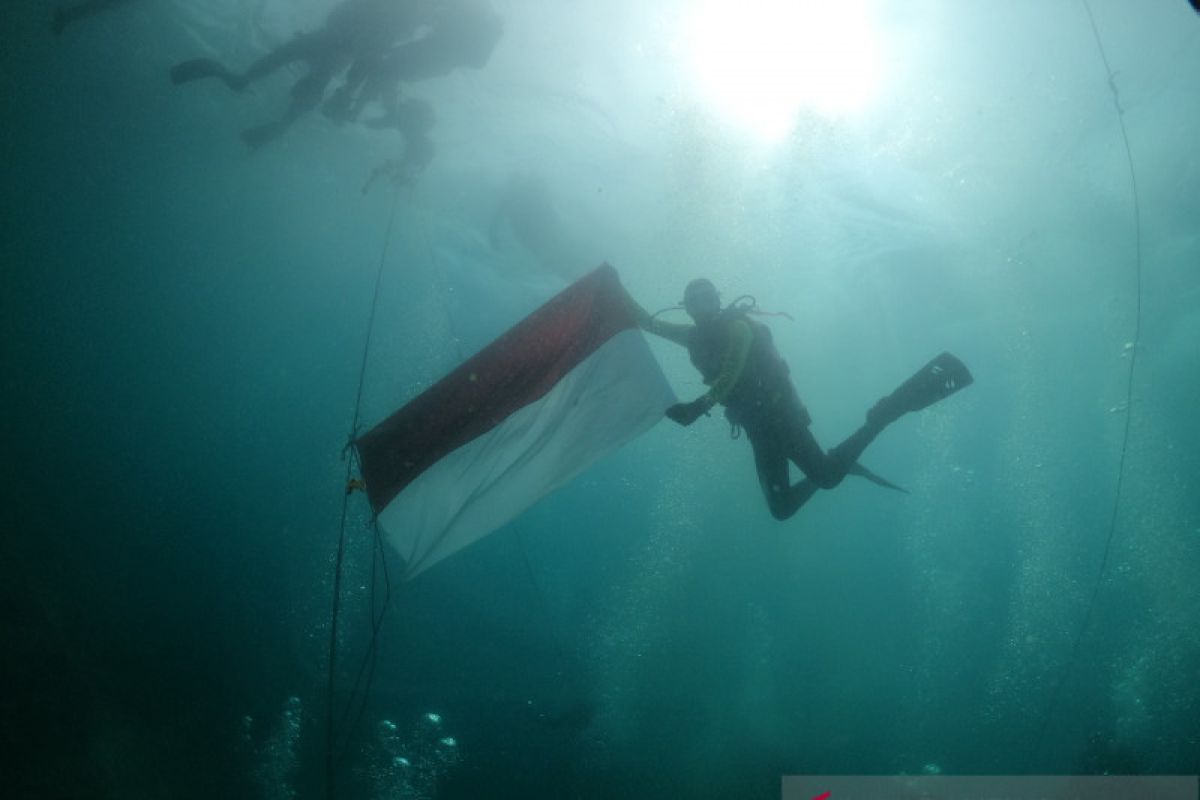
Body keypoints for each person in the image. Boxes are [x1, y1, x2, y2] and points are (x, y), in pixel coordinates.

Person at [627, 278, 973, 520]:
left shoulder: (738, 328)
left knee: (826, 478)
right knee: (781, 510)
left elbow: (730, 375)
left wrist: (699, 406)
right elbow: (647, 323)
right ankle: (840, 463)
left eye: (709, 297)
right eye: (695, 300)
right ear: (685, 307)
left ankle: (885, 413)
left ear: (718, 300)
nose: (704, 305)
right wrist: (612, 287)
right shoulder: (691, 337)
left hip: (782, 417)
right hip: (757, 430)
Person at [168, 0, 437, 150]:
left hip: (334, 42)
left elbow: (374, 54)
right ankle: (279, 122)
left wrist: (354, 95)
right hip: (339, 46)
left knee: (293, 60)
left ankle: (248, 88)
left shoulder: (406, 17)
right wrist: (352, 96)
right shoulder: (406, 17)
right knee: (310, 79)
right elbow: (374, 57)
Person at [51, 0, 134, 36]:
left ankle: (64, 18)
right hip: (102, 5)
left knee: (87, 10)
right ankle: (64, 18)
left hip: (102, 5)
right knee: (87, 10)